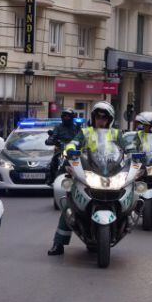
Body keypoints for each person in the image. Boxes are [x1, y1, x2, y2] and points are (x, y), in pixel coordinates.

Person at [48, 101, 122, 256]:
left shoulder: (116, 134)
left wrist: (135, 156)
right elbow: (74, 143)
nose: (100, 120)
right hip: (88, 172)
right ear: (93, 117)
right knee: (70, 204)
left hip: (111, 173)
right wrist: (69, 150)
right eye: (97, 116)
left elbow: (127, 149)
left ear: (110, 119)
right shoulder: (85, 132)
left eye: (104, 117)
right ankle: (58, 243)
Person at [45, 108, 81, 185]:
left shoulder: (76, 128)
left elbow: (82, 138)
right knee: (54, 160)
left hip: (75, 152)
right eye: (65, 116)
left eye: (68, 116)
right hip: (62, 151)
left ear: (72, 117)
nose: (66, 118)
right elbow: (53, 136)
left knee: (84, 162)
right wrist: (51, 140)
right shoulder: (58, 127)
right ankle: (51, 178)